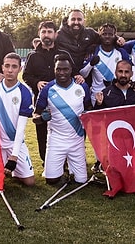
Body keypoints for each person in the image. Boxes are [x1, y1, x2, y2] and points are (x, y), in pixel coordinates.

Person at [33, 54, 92, 185]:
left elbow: (89, 109)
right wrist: (42, 118)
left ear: (71, 70)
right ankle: (63, 171)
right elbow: (35, 116)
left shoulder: (82, 87)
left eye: (65, 69)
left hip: (77, 140)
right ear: (54, 70)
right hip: (56, 140)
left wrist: (87, 115)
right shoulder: (47, 89)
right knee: (51, 180)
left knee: (81, 180)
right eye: (58, 69)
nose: (62, 73)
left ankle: (71, 170)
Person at [22, 21, 67, 165]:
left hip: (62, 102)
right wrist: (36, 83)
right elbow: (26, 76)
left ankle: (63, 162)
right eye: (43, 32)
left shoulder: (63, 53)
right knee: (42, 133)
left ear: (55, 34)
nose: (46, 35)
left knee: (62, 131)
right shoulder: (33, 55)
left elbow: (71, 73)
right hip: (41, 102)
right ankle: (46, 161)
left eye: (49, 32)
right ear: (39, 34)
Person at [0, 52, 35, 186]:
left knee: (29, 182)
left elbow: (21, 127)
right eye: (7, 66)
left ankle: (14, 171)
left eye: (14, 66)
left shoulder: (25, 92)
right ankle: (0, 168)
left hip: (14, 142)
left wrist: (14, 155)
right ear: (2, 67)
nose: (10, 70)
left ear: (20, 69)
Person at [79, 23, 131, 105]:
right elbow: (83, 74)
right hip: (98, 96)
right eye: (104, 34)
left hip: (117, 95)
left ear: (115, 36)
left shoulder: (121, 53)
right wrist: (91, 64)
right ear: (99, 35)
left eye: (110, 34)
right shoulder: (93, 51)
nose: (107, 36)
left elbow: (131, 72)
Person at [55, 9, 100, 76]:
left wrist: (118, 39)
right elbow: (46, 42)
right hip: (66, 76)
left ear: (84, 21)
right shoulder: (59, 35)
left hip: (87, 74)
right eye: (73, 19)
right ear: (68, 21)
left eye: (79, 19)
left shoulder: (90, 33)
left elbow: (105, 38)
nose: (76, 22)